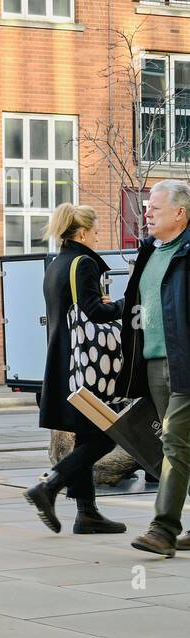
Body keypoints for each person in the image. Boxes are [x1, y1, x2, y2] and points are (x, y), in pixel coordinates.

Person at [24, 204, 127, 535]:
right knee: (106, 436)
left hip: (64, 362)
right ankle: (49, 486)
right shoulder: (83, 263)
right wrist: (126, 304)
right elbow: (94, 312)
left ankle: (87, 514)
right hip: (85, 365)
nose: (97, 237)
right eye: (95, 232)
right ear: (82, 233)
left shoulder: (56, 264)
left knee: (88, 432)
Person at [120, 180, 190, 556]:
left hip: (185, 363)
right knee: (181, 445)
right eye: (147, 207)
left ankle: (163, 529)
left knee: (175, 444)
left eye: (155, 209)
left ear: (179, 213)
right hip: (154, 361)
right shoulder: (150, 251)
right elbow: (140, 301)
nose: (146, 213)